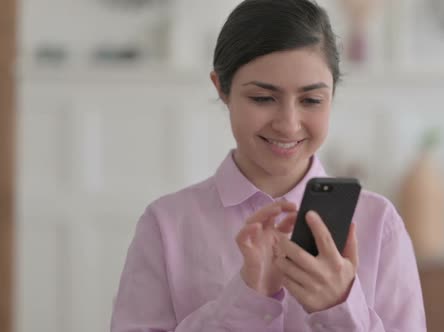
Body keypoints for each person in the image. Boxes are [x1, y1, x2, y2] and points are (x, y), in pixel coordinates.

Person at [110, 0, 426, 331]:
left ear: (333, 94)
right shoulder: (166, 225)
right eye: (263, 98)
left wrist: (340, 309)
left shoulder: (380, 225)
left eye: (311, 100)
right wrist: (246, 300)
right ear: (222, 89)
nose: (288, 125)